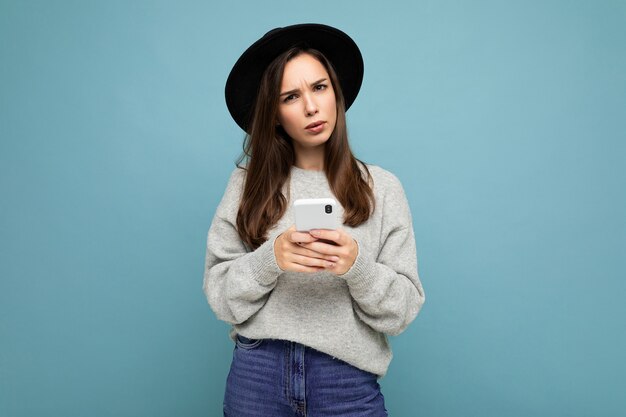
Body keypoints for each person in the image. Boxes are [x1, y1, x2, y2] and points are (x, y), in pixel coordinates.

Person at [203, 23, 425, 417]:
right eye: (291, 96)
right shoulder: (245, 186)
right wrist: (271, 258)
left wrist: (357, 267)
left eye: (319, 87)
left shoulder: (383, 188)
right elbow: (220, 297)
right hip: (258, 372)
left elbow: (402, 311)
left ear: (336, 94)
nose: (310, 106)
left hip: (346, 377)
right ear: (274, 114)